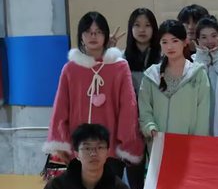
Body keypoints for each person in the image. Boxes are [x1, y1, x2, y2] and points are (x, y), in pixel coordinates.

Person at [43, 12, 144, 179]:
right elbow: (60, 106)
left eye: (98, 32)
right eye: (88, 32)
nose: (93, 36)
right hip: (79, 148)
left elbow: (129, 107)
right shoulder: (71, 69)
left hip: (111, 148)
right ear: (81, 36)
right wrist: (60, 141)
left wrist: (126, 141)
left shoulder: (119, 67)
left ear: (105, 35)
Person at [138, 20, 211, 140]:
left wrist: (198, 143)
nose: (170, 47)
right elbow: (145, 110)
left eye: (175, 41)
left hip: (189, 144)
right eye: (164, 42)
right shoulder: (151, 76)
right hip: (158, 143)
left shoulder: (198, 74)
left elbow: (203, 115)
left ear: (185, 42)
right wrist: (150, 127)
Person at [191, 15, 218, 130]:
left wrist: (217, 57)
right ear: (198, 40)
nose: (209, 41)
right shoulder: (192, 62)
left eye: (214, 36)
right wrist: (202, 57)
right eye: (204, 37)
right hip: (200, 119)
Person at [123, 8, 161, 95]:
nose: (142, 30)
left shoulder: (163, 56)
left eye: (147, 25)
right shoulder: (122, 58)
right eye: (137, 25)